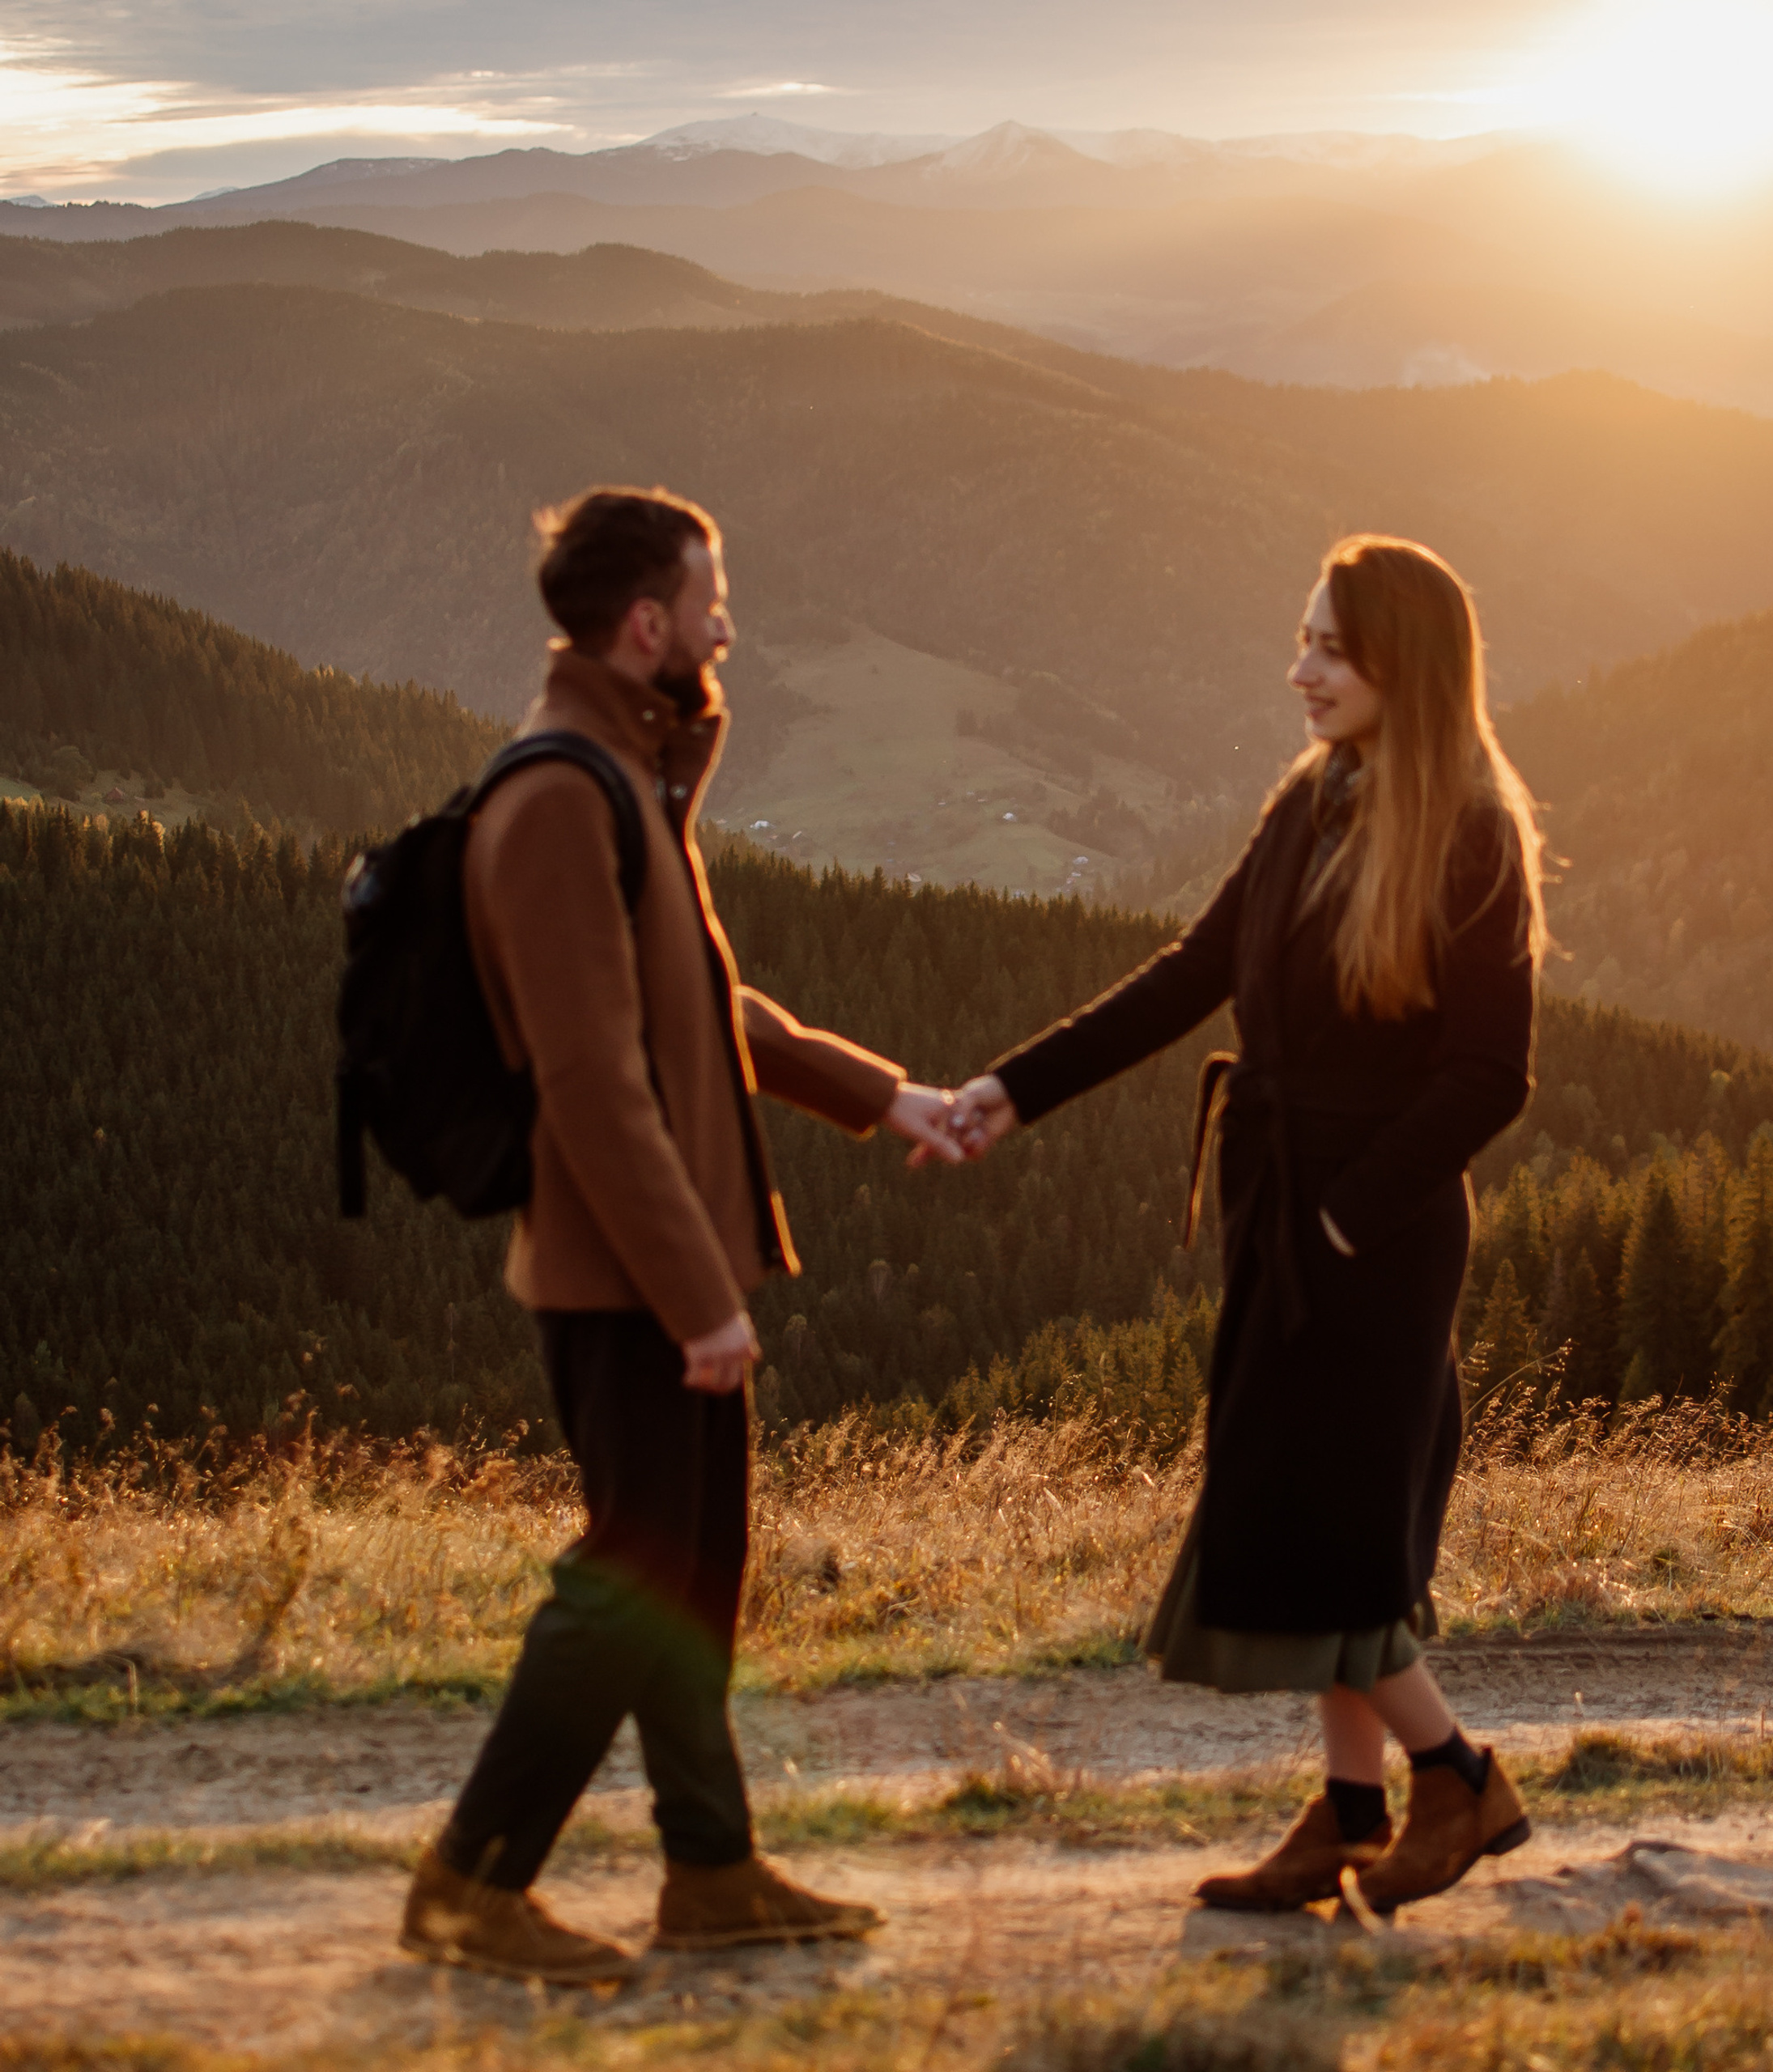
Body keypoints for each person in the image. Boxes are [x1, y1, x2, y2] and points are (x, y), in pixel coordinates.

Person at [399, 486, 967, 1983]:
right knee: (624, 1581)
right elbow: (591, 1082)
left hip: (672, 1272)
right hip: (627, 1284)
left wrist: (884, 1096)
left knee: (693, 1575)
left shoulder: (625, 782)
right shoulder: (554, 802)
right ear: (645, 623)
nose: (730, 622)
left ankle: (710, 1871)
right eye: (712, 597)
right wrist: (698, 1298)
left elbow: (706, 1019)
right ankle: (471, 1881)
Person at [949, 536, 1545, 1918]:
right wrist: (1011, 1090)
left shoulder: (1470, 829)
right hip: (1280, 1215)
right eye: (1303, 642)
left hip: (1369, 1237)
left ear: (1405, 659)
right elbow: (1194, 972)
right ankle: (1348, 1814)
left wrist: (1343, 1222)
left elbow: (1491, 1077)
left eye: (1329, 648)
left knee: (1321, 1528)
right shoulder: (1313, 801)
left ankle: (1457, 1777)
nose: (1301, 671)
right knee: (1300, 1517)